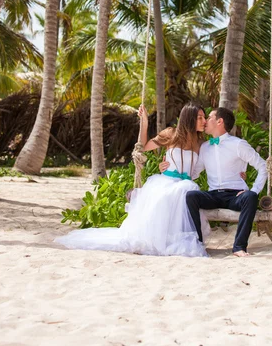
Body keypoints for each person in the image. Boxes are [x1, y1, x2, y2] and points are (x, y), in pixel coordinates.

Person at [55, 103, 210, 257]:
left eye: (204, 117)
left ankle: (174, 238)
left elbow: (196, 170)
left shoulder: (201, 144)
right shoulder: (171, 134)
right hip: (165, 182)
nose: (204, 121)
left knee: (186, 191)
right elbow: (143, 146)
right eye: (200, 118)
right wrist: (144, 122)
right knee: (170, 196)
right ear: (189, 119)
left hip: (185, 184)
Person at [161, 107, 267, 258]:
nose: (205, 122)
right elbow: (193, 173)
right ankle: (198, 244)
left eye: (209, 117)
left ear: (219, 121)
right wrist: (168, 168)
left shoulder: (238, 144)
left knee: (250, 197)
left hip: (235, 195)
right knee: (191, 196)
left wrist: (255, 189)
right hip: (214, 195)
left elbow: (262, 166)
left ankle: (239, 247)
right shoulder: (204, 147)